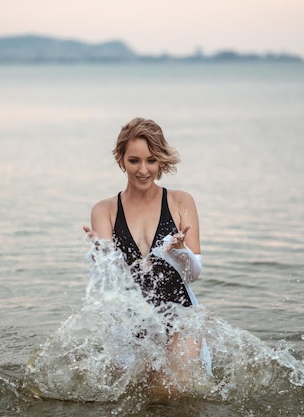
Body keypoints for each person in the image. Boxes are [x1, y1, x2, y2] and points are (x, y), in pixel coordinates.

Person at [83, 117, 208, 395]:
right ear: (121, 160)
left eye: (151, 160)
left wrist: (180, 252)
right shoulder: (105, 211)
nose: (143, 170)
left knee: (173, 393)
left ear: (161, 161)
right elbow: (108, 284)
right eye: (134, 160)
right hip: (130, 322)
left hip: (179, 314)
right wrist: (100, 258)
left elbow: (193, 275)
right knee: (137, 398)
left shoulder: (180, 202)